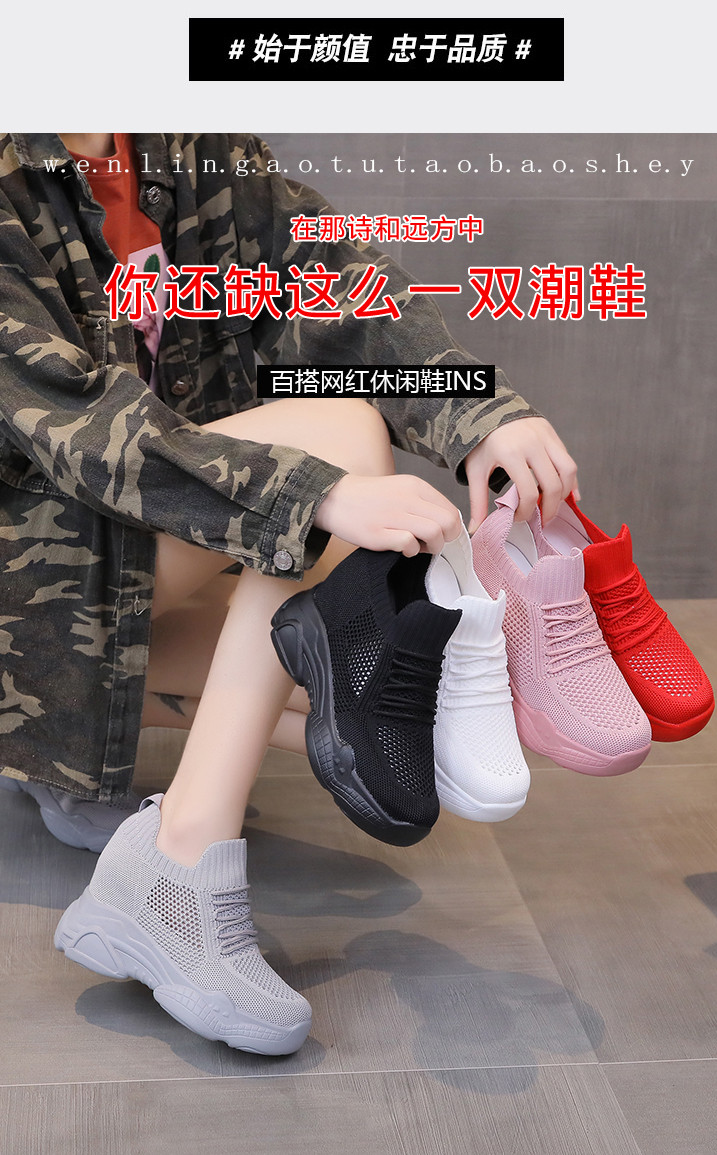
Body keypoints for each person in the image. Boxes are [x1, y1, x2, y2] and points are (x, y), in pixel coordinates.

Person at [0, 133, 577, 1054]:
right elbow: (77, 423)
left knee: (358, 693)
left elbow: (334, 281)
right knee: (335, 445)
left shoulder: (186, 147)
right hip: (28, 570)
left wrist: (481, 415)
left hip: (97, 566)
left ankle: (65, 764)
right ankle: (175, 864)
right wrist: (314, 493)